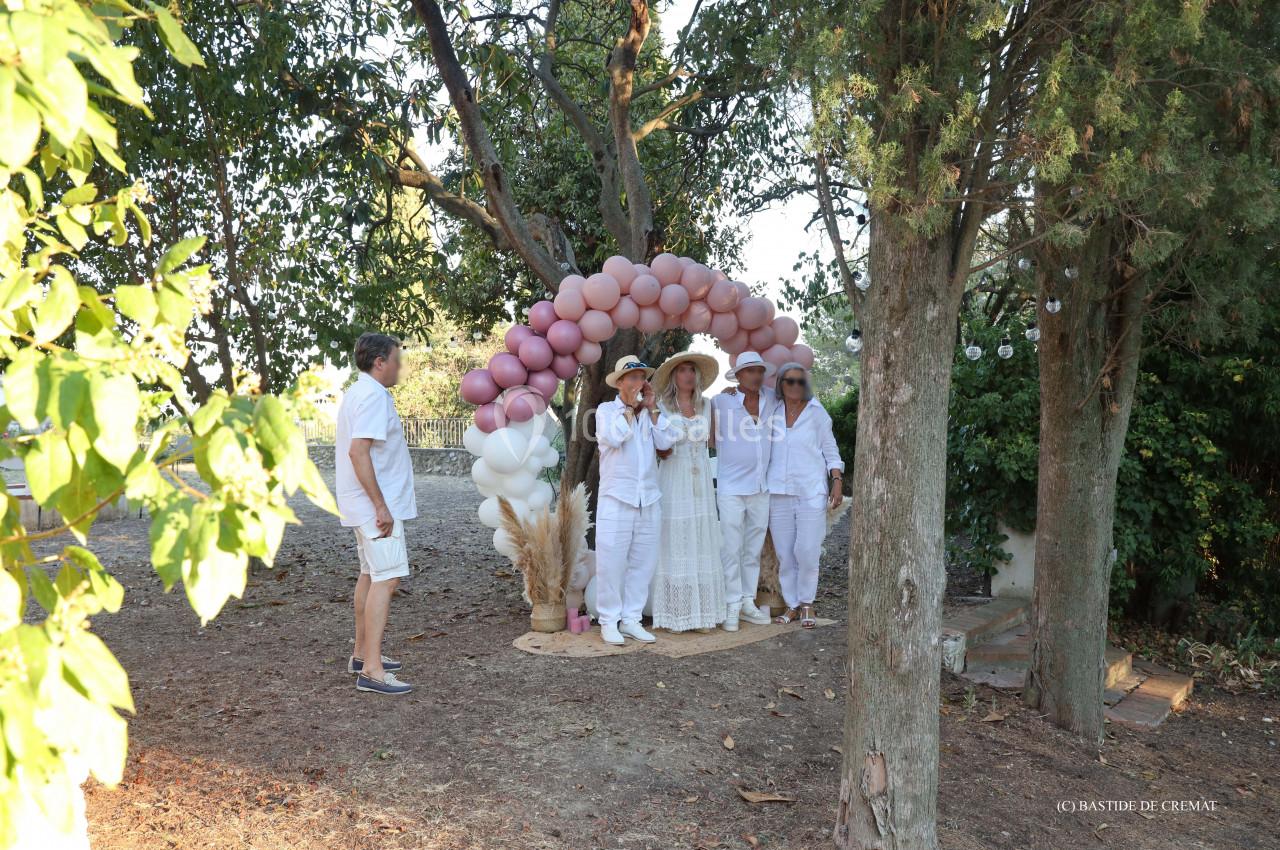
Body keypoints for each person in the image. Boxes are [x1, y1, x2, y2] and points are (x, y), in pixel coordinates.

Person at [335, 332, 416, 695]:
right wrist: (381, 506)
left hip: (363, 505)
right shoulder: (371, 396)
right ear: (379, 362)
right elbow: (358, 452)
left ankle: (360, 654)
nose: (400, 366)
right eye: (396, 359)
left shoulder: (359, 392)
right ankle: (372, 670)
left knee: (370, 575)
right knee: (388, 577)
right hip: (374, 508)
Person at [594, 356, 679, 645]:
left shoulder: (652, 412)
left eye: (641, 378)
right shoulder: (607, 411)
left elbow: (667, 442)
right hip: (617, 498)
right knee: (611, 562)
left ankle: (631, 619)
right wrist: (630, 408)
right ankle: (609, 620)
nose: (637, 383)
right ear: (620, 383)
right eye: (631, 378)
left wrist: (652, 407)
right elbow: (615, 437)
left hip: (649, 499)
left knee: (643, 562)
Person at [649, 351, 724, 632]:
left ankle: (703, 613)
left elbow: (714, 441)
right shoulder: (661, 406)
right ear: (673, 376)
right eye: (682, 370)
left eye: (692, 370)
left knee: (701, 536)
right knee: (676, 539)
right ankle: (675, 614)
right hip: (673, 475)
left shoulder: (707, 405)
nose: (688, 375)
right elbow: (658, 446)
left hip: (701, 476)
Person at [766, 362, 844, 629]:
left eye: (800, 381)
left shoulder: (816, 412)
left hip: (811, 490)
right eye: (790, 381)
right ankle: (793, 605)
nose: (795, 386)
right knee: (785, 553)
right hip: (778, 490)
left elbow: (830, 449)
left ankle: (808, 602)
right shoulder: (772, 410)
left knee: (807, 550)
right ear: (781, 384)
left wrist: (836, 479)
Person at [710, 351, 779, 631]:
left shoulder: (773, 399)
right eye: (750, 371)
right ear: (738, 376)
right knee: (730, 547)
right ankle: (731, 605)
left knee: (752, 549)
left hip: (761, 488)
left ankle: (748, 602)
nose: (756, 376)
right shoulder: (721, 401)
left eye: (759, 371)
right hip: (730, 487)